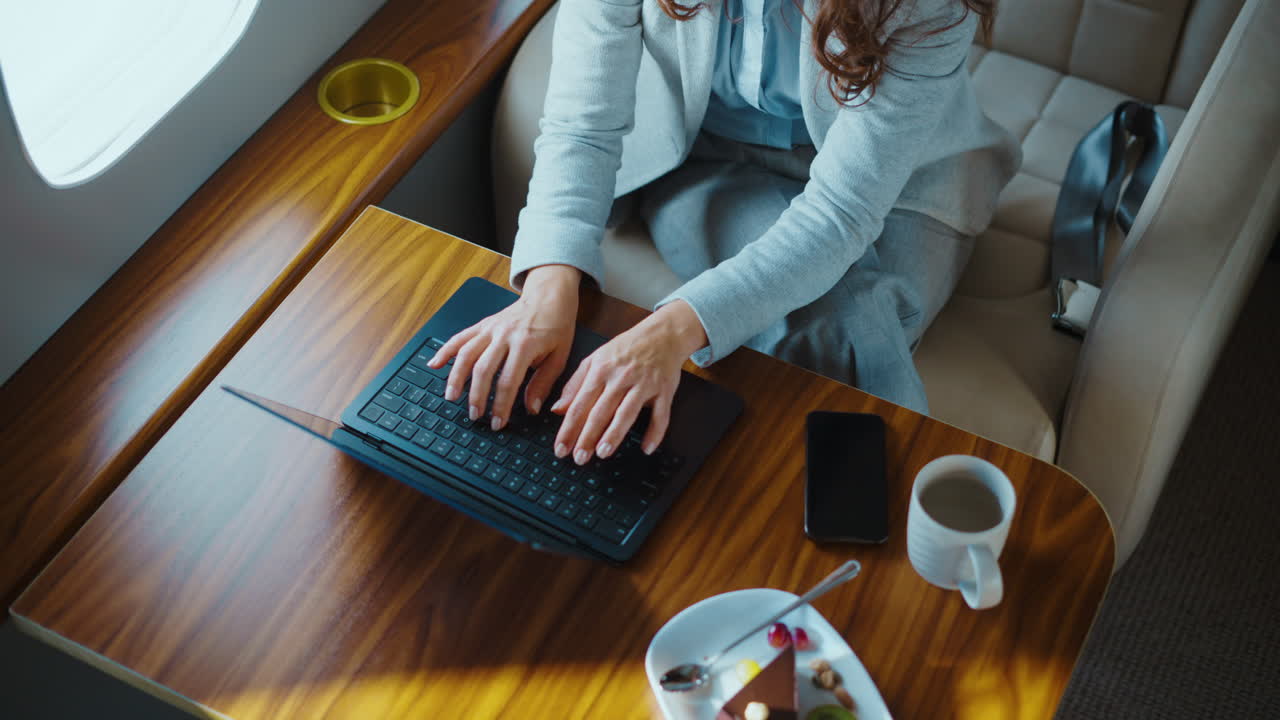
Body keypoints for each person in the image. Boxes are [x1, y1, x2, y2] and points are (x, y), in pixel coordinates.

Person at [428, 0, 1019, 466]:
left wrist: (666, 334)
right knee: (839, 329)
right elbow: (582, 127)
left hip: (901, 184)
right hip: (709, 160)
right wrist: (547, 287)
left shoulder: (930, 5)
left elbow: (841, 211)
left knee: (851, 333)